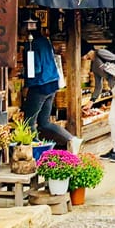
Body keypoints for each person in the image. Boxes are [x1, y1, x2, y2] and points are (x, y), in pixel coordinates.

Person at [22, 17, 81, 153]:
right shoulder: (45, 41)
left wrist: (25, 79)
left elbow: (34, 69)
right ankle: (72, 139)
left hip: (39, 85)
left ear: (27, 28)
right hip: (52, 84)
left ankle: (34, 152)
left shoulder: (31, 45)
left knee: (29, 122)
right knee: (44, 122)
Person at [81, 42, 115, 162]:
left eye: (83, 55)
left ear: (87, 51)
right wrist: (91, 101)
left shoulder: (100, 53)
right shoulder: (94, 66)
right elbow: (98, 86)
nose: (83, 58)